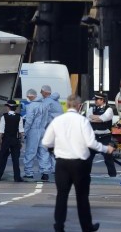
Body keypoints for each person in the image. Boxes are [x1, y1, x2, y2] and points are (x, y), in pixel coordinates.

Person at [42, 94, 115, 232]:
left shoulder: (57, 121)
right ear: (78, 106)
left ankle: (59, 226)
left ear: (68, 105)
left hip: (62, 163)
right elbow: (90, 142)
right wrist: (106, 148)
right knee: (82, 197)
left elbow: (46, 142)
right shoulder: (82, 121)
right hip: (79, 163)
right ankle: (86, 227)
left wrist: (55, 149)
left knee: (61, 196)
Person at [23, 88, 52, 181]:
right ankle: (45, 172)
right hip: (43, 130)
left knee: (30, 151)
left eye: (27, 96)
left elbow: (29, 121)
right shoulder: (44, 105)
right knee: (43, 152)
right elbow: (47, 119)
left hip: (33, 131)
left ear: (30, 96)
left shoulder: (31, 106)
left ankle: (29, 172)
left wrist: (25, 132)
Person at [87, 92, 117, 177]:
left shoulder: (109, 109)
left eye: (97, 99)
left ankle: (112, 175)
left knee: (108, 158)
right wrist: (98, 118)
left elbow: (104, 118)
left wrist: (95, 118)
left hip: (105, 137)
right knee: (88, 157)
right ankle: (86, 174)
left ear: (102, 100)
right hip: (94, 136)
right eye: (95, 99)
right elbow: (88, 117)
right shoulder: (92, 108)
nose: (95, 101)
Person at [0, 100, 24, 182]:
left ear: (8, 107)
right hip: (15, 140)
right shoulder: (19, 117)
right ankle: (17, 177)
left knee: (2, 158)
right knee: (15, 159)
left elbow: (1, 131)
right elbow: (21, 131)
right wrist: (21, 141)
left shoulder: (4, 117)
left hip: (6, 140)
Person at [41, 86, 64, 173]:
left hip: (51, 128)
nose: (41, 93)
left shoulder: (47, 101)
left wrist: (42, 127)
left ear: (45, 92)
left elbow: (44, 115)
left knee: (45, 149)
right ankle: (56, 168)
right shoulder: (56, 101)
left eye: (41, 91)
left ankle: (47, 169)